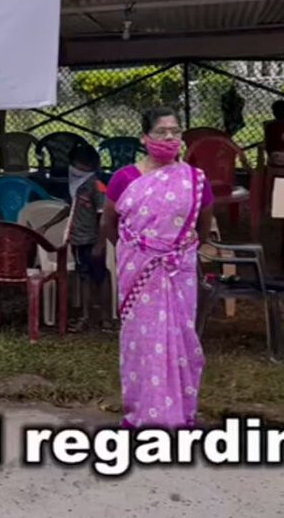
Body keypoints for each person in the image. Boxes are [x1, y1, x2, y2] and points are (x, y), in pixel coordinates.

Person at [99, 106, 214, 429]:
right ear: (144, 138)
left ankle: (181, 415)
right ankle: (141, 415)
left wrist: (174, 250)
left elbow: (203, 225)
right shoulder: (124, 178)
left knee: (180, 340)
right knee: (142, 342)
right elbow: (109, 223)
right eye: (161, 132)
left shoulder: (194, 180)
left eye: (175, 132)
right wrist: (140, 252)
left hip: (179, 271)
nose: (169, 138)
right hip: (138, 271)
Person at [63, 144, 110, 333]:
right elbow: (70, 209)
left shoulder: (96, 186)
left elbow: (104, 216)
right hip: (77, 240)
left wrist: (100, 243)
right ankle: (86, 316)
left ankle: (104, 318)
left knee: (100, 276)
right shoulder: (77, 186)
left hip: (92, 239)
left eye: (77, 164)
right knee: (83, 276)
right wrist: (47, 225)